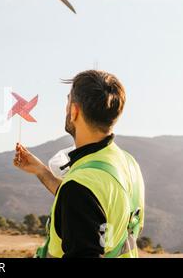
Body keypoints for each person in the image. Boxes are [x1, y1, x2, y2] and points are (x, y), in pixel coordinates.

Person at [14, 70, 145, 258]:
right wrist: (41, 171)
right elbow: (95, 205)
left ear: (74, 111)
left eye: (68, 102)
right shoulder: (128, 164)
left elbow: (82, 198)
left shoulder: (80, 189)